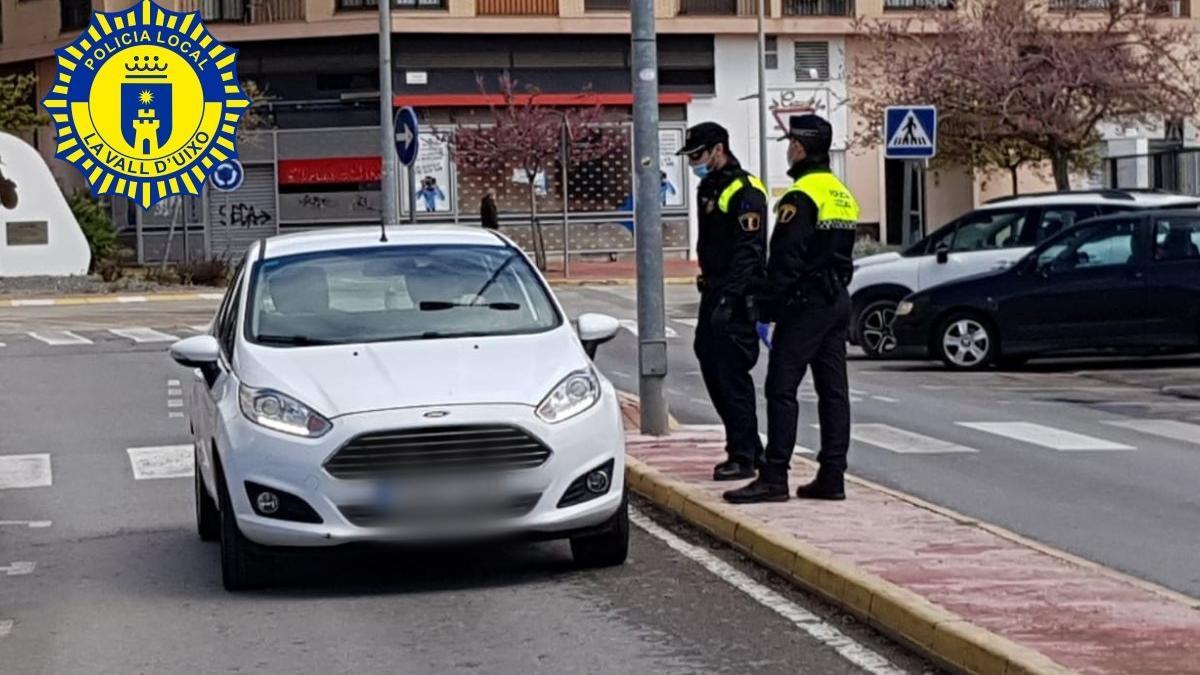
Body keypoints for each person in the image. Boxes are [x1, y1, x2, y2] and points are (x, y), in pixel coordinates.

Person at [724, 113, 858, 504]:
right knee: (834, 391)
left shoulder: (800, 197)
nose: (788, 149)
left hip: (805, 305)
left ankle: (775, 476)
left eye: (790, 143)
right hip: (836, 302)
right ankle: (833, 475)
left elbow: (786, 259)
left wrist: (767, 306)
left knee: (781, 387)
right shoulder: (840, 193)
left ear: (799, 147)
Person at [677, 122, 769, 482]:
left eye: (698, 155)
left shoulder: (746, 190)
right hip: (714, 290)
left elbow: (749, 251)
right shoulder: (709, 187)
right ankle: (747, 446)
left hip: (735, 295)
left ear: (718, 149)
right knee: (710, 362)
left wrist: (731, 297)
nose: (693, 163)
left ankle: (744, 455)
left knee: (732, 374)